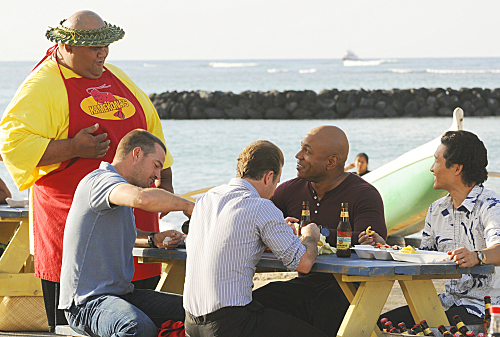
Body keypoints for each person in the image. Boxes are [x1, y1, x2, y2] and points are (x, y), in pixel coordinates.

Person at [0, 11, 171, 330]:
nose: (103, 52)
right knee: (77, 323)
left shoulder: (117, 77)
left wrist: (167, 184)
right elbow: (13, 144)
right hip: (74, 237)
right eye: (94, 47)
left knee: (144, 321)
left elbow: (153, 133)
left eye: (105, 44)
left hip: (134, 229)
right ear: (66, 45)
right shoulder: (44, 84)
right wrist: (73, 148)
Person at [183, 140, 327, 337]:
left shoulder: (206, 199)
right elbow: (303, 263)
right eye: (277, 182)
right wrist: (311, 234)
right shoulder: (260, 206)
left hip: (191, 322)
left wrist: (277, 226)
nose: (275, 189)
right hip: (230, 324)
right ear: (269, 177)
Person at [252, 125, 386, 337]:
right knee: (251, 306)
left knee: (329, 307)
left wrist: (317, 233)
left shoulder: (364, 194)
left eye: (307, 151)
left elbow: (371, 241)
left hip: (348, 291)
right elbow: (256, 222)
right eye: (301, 149)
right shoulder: (289, 189)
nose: (298, 156)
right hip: (304, 286)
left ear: (331, 162)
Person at [59, 129, 194, 337]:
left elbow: (123, 233)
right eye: (156, 165)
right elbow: (142, 199)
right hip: (86, 303)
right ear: (137, 154)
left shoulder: (119, 189)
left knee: (196, 313)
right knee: (136, 327)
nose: (158, 175)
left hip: (121, 295)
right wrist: (187, 206)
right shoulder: (101, 181)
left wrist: (152, 239)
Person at [371, 130, 500, 328]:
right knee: (377, 325)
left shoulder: (490, 205)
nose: (431, 168)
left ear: (456, 168)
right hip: (447, 303)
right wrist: (386, 249)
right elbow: (423, 258)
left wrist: (477, 256)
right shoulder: (436, 209)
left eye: (436, 161)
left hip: (485, 309)